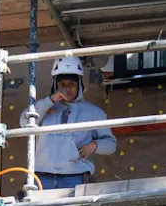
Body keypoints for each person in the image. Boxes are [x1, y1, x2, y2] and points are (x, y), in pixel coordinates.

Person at [21, 55, 117, 191]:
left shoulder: (93, 112)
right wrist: (50, 100)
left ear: (80, 84)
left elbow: (111, 145)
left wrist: (94, 145)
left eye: (71, 84)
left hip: (75, 177)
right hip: (41, 177)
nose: (67, 89)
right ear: (55, 85)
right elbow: (24, 122)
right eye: (62, 85)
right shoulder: (44, 108)